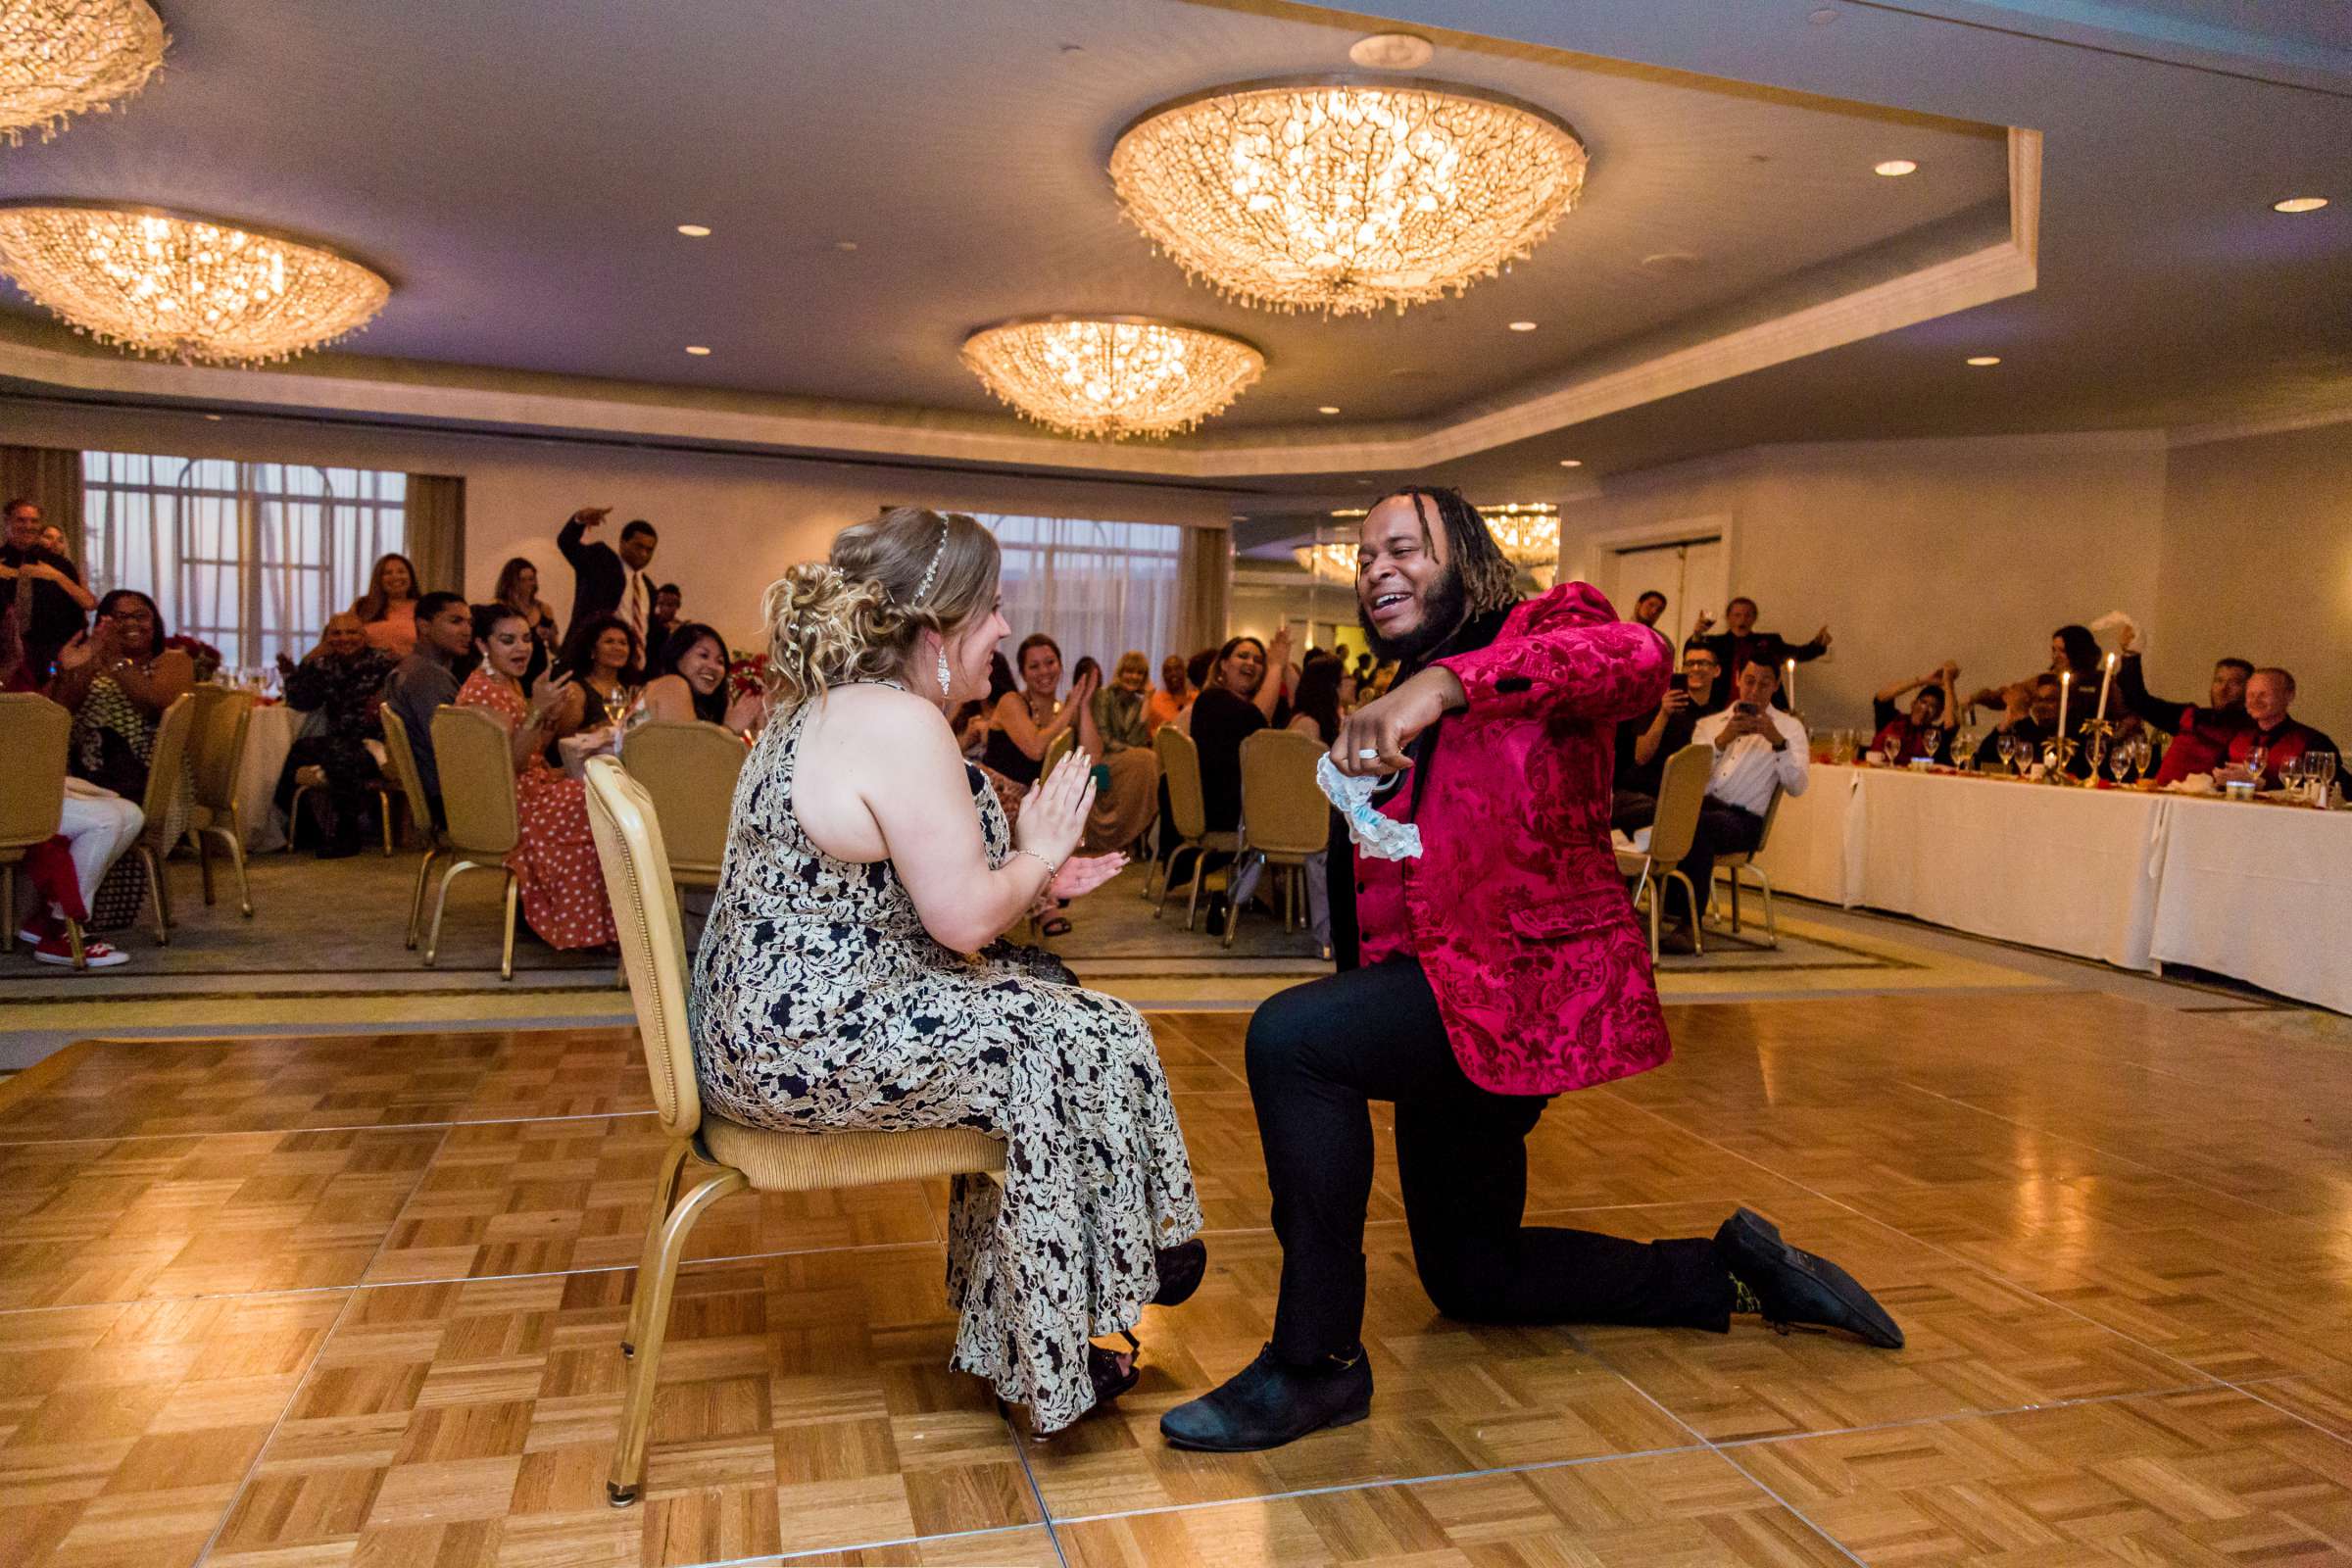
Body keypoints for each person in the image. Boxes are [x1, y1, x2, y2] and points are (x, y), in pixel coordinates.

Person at [1159, 488, 1898, 1454]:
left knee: (1292, 1040)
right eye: (1366, 556)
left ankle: (1315, 1365)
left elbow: (1638, 663)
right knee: (1474, 1276)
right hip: (1439, 1007)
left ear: (1467, 554)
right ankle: (1729, 1272)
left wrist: (1445, 687)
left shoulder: (1548, 625)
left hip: (1519, 989)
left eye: (1404, 548)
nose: (1377, 567)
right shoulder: (1394, 688)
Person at [690, 506, 1203, 1437]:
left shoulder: (831, 707)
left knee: (1052, 997)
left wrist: (1027, 877)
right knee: (1060, 1037)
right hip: (802, 1037)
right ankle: (1087, 1307)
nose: (1006, 630)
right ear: (936, 633)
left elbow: (912, 896)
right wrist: (1039, 854)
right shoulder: (898, 722)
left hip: (768, 1018)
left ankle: (1065, 1299)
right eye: (995, 608)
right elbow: (961, 921)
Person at [454, 605, 616, 951]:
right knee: (599, 803)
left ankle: (582, 922)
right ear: (483, 645)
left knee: (605, 792)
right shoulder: (480, 691)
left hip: (526, 789)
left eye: (526, 639)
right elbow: (508, 763)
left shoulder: (507, 683)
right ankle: (580, 927)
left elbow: (531, 751)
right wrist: (538, 711)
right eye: (507, 640)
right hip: (506, 802)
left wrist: (549, 719)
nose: (521, 648)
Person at [46, 590, 194, 930]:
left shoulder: (174, 660)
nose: (131, 623)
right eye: (119, 616)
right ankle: (54, 913)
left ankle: (61, 918)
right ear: (102, 623)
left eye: (139, 616)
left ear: (154, 621)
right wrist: (77, 669)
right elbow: (58, 712)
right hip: (88, 769)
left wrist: (114, 661)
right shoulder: (91, 660)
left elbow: (155, 701)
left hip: (150, 775)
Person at [1677, 661, 1811, 945]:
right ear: (1738, 679)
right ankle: (1650, 907)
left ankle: (1689, 926)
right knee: (1658, 814)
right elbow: (1690, 777)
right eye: (1749, 681)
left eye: (1764, 684)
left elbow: (1797, 786)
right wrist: (1722, 741)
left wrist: (1777, 742)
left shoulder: (1790, 728)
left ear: (1775, 686)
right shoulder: (1710, 725)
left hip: (1743, 819)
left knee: (1697, 827)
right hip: (1703, 805)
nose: (1754, 690)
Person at [275, 612, 399, 858]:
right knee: (287, 755)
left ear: (364, 636)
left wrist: (385, 694)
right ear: (327, 638)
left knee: (339, 754)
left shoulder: (384, 661)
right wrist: (299, 667)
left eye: (352, 632)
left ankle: (347, 833)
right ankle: (308, 830)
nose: (345, 638)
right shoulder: (324, 664)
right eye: (337, 633)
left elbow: (405, 684)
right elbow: (302, 702)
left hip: (375, 744)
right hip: (338, 740)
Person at [14, 774, 144, 969]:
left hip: (25, 788)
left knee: (132, 814)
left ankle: (54, 916)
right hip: (13, 797)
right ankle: (62, 930)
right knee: (105, 821)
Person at [382, 591, 472, 825]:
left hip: (437, 791)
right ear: (424, 626)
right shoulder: (427, 677)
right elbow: (453, 749)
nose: (467, 631)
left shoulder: (410, 667)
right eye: (455, 621)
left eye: (469, 622)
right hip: (449, 798)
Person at [1613, 645, 1725, 832]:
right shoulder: (1660, 704)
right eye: (1689, 663)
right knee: (1670, 815)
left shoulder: (1717, 718)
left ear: (1716, 670)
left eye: (1702, 663)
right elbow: (1641, 756)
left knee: (1711, 817)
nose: (1695, 668)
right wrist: (1663, 714)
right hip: (1638, 795)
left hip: (1678, 799)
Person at [1189, 631, 1289, 838]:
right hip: (1225, 809)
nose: (1251, 663)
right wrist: (1277, 665)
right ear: (1223, 664)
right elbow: (1256, 722)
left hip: (1254, 800)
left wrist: (1283, 662)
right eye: (1243, 656)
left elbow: (1299, 708)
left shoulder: (1258, 704)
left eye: (1259, 660)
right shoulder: (1211, 700)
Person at [2115, 638, 2252, 784]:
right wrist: (2131, 653)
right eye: (2219, 680)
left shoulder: (2252, 729)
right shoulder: (2191, 715)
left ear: (2249, 689)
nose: (2223, 689)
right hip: (2164, 795)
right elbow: (2139, 701)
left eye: (2234, 683)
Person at [1, 497, 96, 690]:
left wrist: (56, 577)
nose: (28, 526)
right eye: (21, 520)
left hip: (55, 654)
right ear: (7, 522)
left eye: (34, 521)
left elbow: (89, 603)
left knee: (54, 711)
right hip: (5, 655)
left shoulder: (60, 565)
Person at [1287, 651, 1347, 957]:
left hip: (1307, 813)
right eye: (1344, 679)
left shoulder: (1310, 721)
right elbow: (1312, 788)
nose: (1350, 682)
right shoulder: (1308, 729)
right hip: (1305, 821)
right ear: (1332, 687)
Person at [982, 633, 1092, 790]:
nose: (1044, 671)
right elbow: (1036, 749)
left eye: (1050, 662)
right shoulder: (1011, 701)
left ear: (1060, 666)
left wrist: (1084, 703)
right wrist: (1071, 707)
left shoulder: (1062, 710)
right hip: (997, 800)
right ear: (1023, 674)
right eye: (1034, 666)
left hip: (1038, 804)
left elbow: (1093, 758)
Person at [1683, 597, 1829, 710]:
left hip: (1764, 706)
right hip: (1721, 706)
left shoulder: (1769, 641)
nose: (1742, 620)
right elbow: (1691, 655)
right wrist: (1697, 634)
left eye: (1747, 615)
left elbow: (1797, 653)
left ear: (1754, 618)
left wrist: (1818, 644)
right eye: (1737, 615)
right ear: (1728, 618)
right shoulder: (1715, 643)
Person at [1085, 650, 1162, 856]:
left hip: (1129, 759)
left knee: (1147, 761)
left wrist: (1147, 699)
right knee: (1147, 759)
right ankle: (1130, 836)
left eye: (1139, 673)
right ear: (1121, 672)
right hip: (1103, 757)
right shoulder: (1104, 695)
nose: (1133, 677)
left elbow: (1138, 739)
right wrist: (1130, 751)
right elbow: (1104, 736)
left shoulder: (1138, 703)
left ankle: (1133, 834)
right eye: (1129, 671)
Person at [546, 612, 645, 758]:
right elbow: (563, 744)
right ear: (592, 650)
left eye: (623, 643)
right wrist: (600, 730)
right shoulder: (577, 690)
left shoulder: (632, 690)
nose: (618, 647)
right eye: (609, 642)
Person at [559, 506, 660, 645]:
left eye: (649, 550)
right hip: (590, 657)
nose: (643, 554)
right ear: (623, 542)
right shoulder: (601, 561)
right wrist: (579, 519)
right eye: (638, 546)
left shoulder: (650, 589)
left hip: (632, 663)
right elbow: (567, 543)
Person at [2223, 669, 2336, 787]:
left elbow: (2327, 789)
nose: (2255, 701)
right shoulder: (2235, 735)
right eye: (2251, 695)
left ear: (2289, 696)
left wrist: (2263, 784)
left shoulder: (2314, 741)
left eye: (2263, 694)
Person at [643, 621, 763, 731]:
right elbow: (684, 751)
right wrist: (729, 728)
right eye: (703, 655)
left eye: (720, 661)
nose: (713, 666)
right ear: (678, 655)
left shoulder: (704, 708)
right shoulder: (672, 684)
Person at [1971, 673, 2093, 776]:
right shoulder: (2025, 729)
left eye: (2049, 700)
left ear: (2067, 704)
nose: (2042, 706)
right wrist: (2003, 726)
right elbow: (1983, 758)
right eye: (2038, 700)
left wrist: (2023, 717)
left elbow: (2044, 758)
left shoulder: (2074, 734)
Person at [1870, 663, 1960, 764]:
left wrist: (1948, 681)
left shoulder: (1935, 736)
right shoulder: (1892, 719)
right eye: (1923, 702)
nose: (1925, 709)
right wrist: (1924, 680)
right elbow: (1881, 697)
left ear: (1938, 715)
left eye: (1933, 707)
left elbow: (1951, 722)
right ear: (1913, 704)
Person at [493, 556, 562, 685]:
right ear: (511, 581)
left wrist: (551, 636)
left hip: (537, 670)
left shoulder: (543, 608)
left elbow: (555, 649)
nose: (528, 584)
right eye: (521, 580)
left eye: (531, 579)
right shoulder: (501, 607)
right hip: (511, 668)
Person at [351, 553, 422, 661]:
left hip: (412, 671)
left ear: (410, 577)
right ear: (379, 579)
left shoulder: (424, 606)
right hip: (368, 671)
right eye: (387, 573)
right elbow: (342, 636)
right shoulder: (362, 605)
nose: (395, 577)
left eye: (401, 572)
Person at [1145, 653, 1193, 733]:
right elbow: (1145, 732)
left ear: (1185, 672)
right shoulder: (1154, 700)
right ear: (1163, 675)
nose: (1173, 673)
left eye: (1177, 669)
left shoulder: (1197, 698)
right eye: (1168, 671)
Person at [649, 582, 683, 653]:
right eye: (661, 603)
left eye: (670, 605)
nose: (664, 608)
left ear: (678, 606)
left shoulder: (681, 630)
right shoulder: (647, 623)